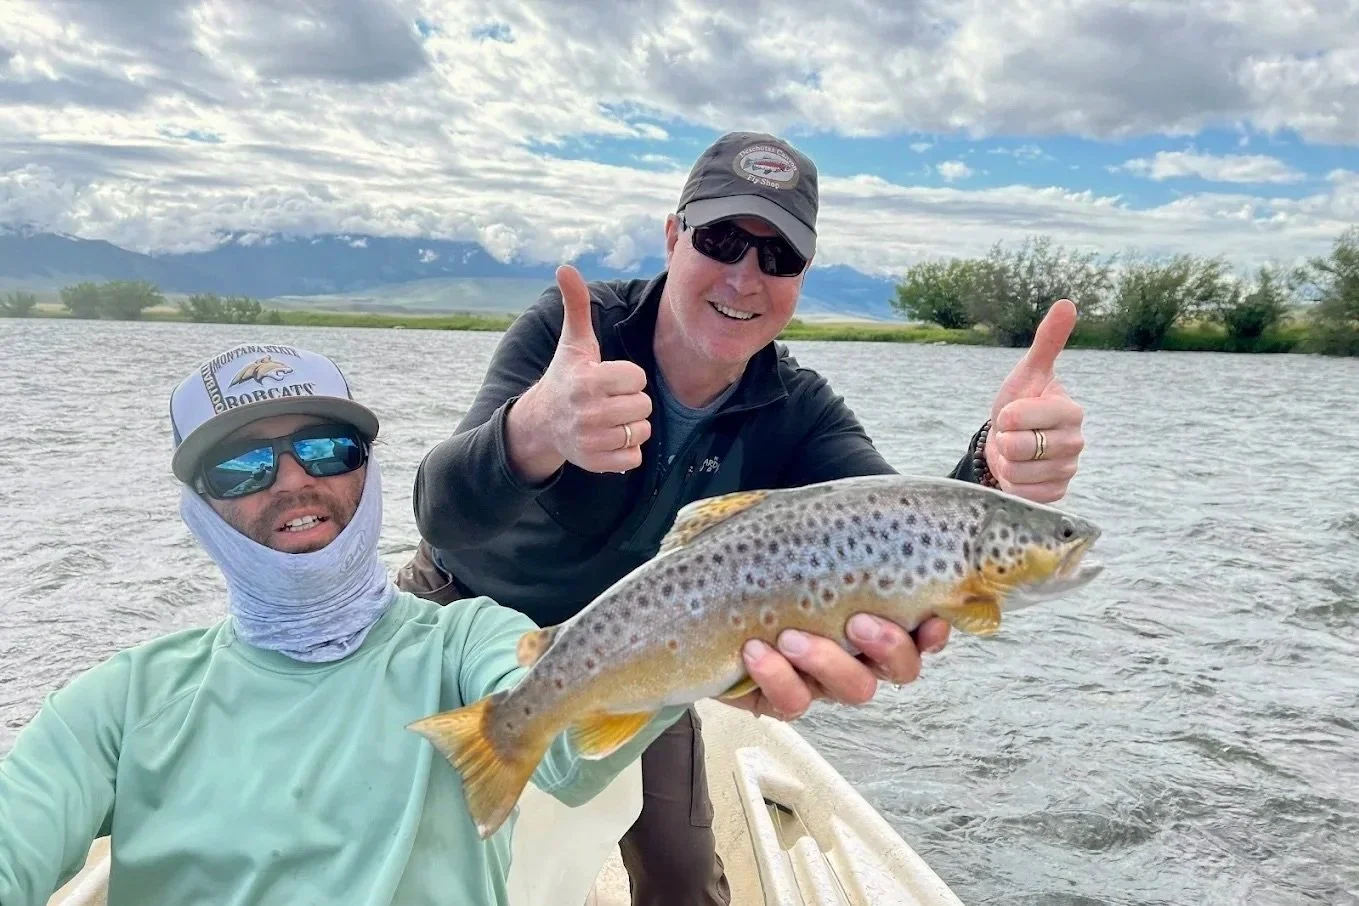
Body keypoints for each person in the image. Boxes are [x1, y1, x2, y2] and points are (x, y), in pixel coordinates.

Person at [401, 132, 1087, 904]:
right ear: (672, 236)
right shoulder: (575, 338)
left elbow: (894, 520)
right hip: (458, 606)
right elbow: (441, 516)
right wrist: (532, 433)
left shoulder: (799, 410)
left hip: (648, 644)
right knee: (406, 856)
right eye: (721, 238)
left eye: (778, 256)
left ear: (800, 276)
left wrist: (991, 470)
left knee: (685, 882)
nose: (744, 275)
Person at [0, 342, 913, 906]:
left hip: (617, 634)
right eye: (240, 468)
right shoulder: (113, 706)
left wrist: (713, 638)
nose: (292, 481)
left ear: (365, 469)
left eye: (325, 448)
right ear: (195, 507)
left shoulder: (464, 641)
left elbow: (563, 742)